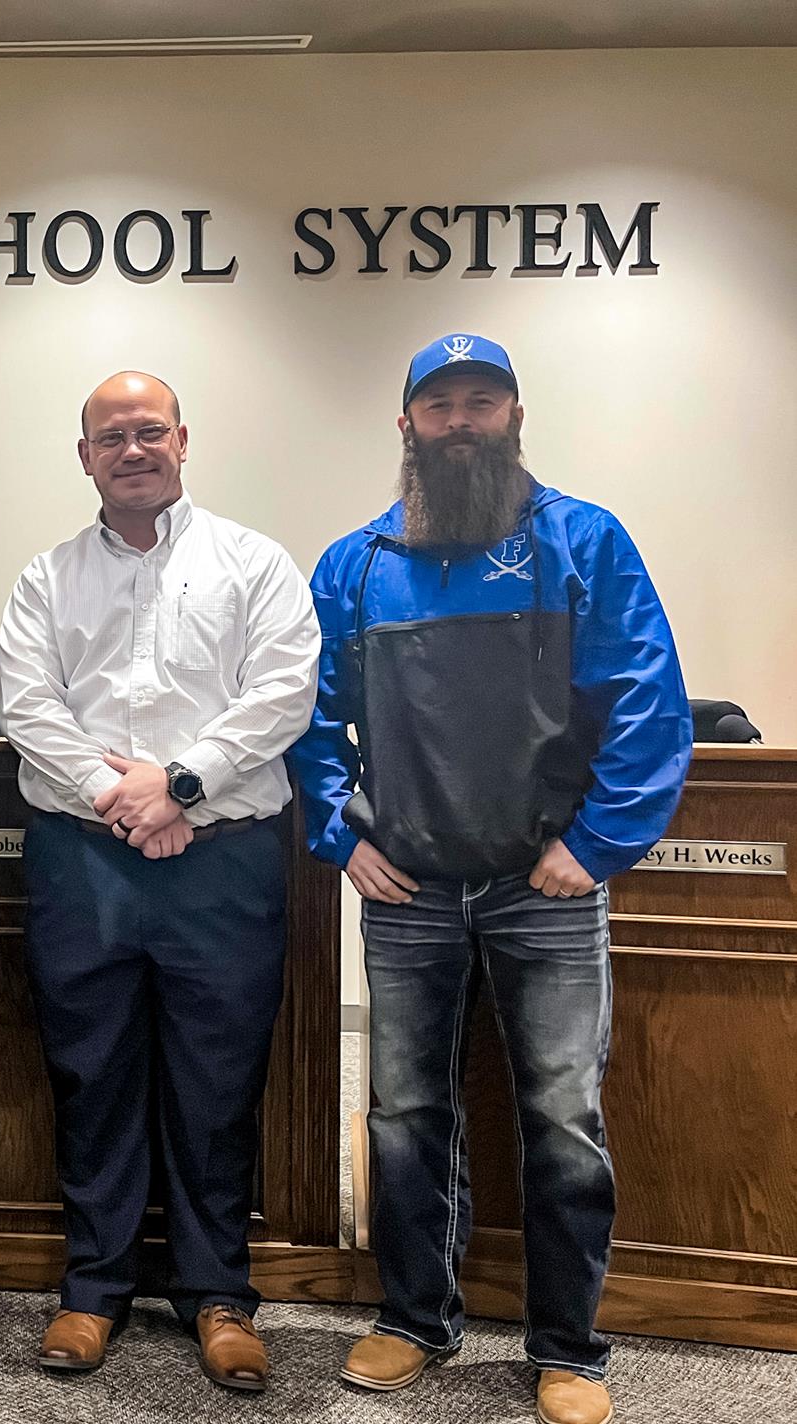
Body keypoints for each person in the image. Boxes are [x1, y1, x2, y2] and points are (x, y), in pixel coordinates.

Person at [289, 333, 692, 1424]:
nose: (460, 419)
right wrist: (340, 832)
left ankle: (568, 1346)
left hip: (545, 885)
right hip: (408, 888)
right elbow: (310, 722)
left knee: (562, 1114)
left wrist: (597, 843)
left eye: (481, 401)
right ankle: (413, 1319)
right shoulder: (356, 564)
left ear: (514, 416)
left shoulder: (583, 542)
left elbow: (647, 701)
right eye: (440, 405)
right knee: (405, 1113)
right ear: (406, 423)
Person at [0, 371, 318, 1390]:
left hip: (221, 860)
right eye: (109, 437)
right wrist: (125, 797)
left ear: (182, 439)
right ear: (82, 455)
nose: (130, 450)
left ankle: (217, 1293)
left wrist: (178, 784)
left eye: (148, 432)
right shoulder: (46, 578)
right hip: (83, 855)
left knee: (216, 1082)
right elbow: (28, 708)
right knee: (92, 1073)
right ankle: (92, 1289)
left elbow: (283, 692)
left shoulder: (254, 562)